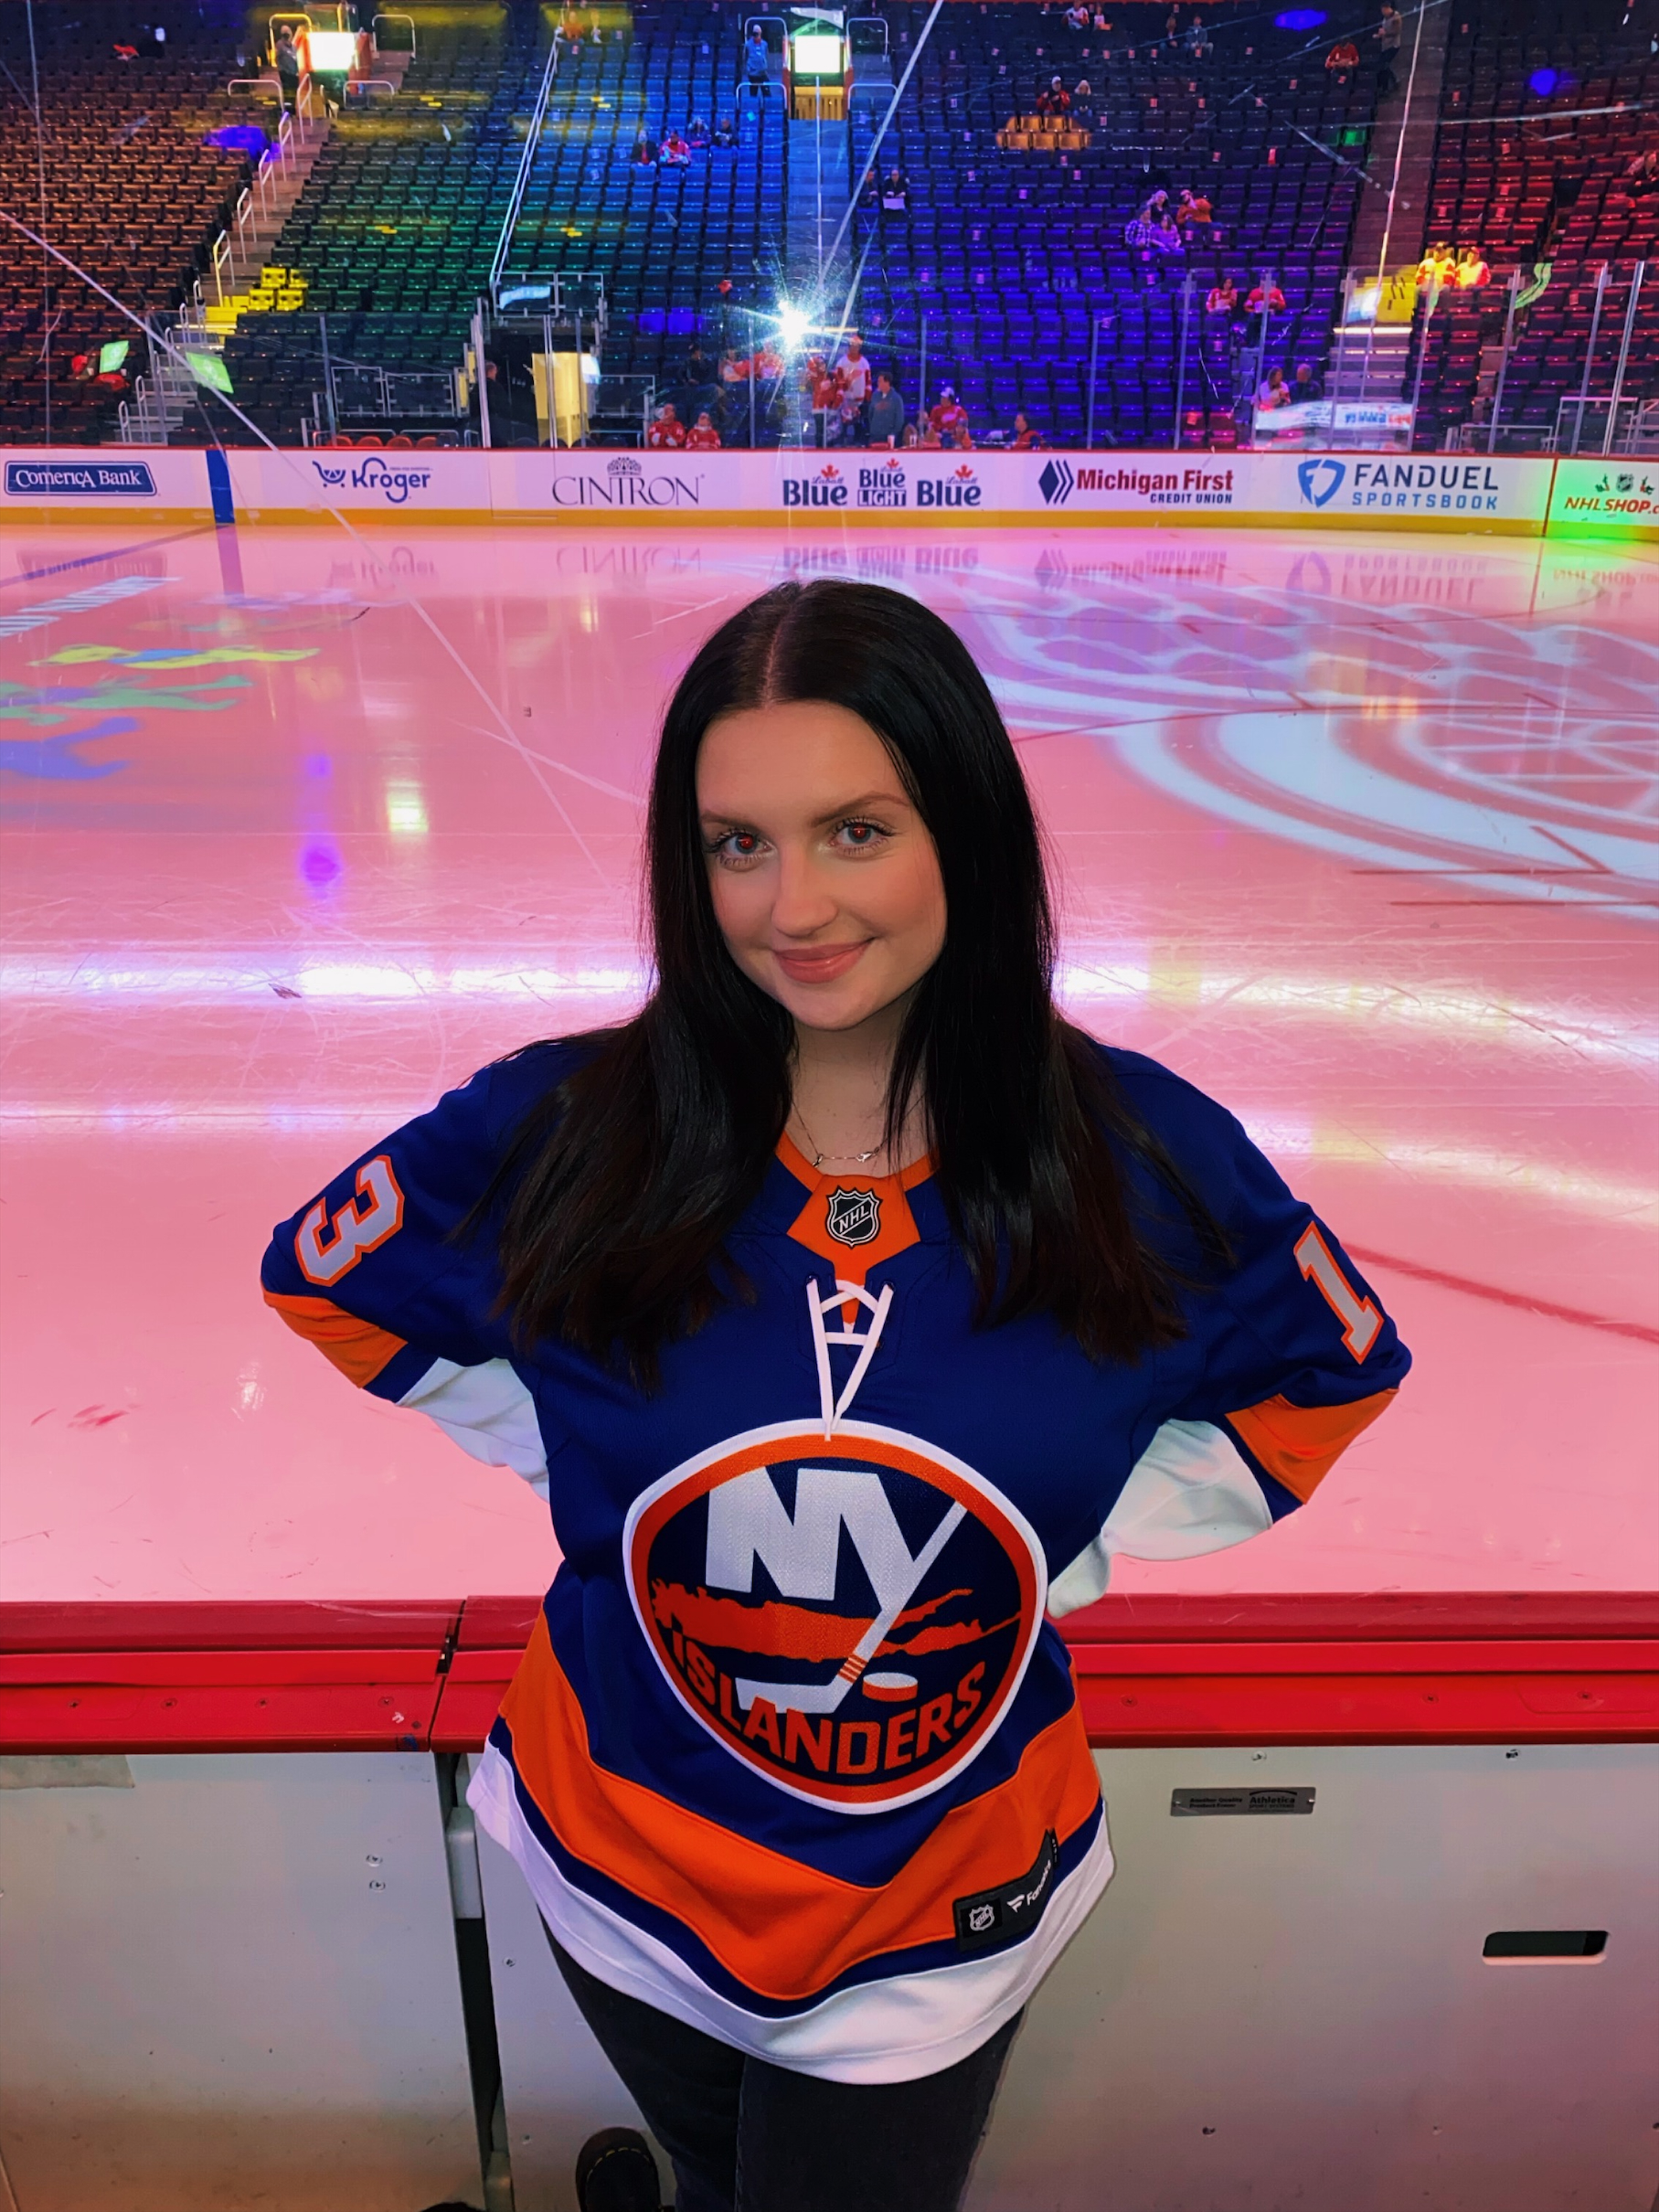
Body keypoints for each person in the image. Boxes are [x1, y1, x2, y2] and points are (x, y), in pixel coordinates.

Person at [263, 580, 1409, 2212]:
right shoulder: (563, 1130)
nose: (789, 904)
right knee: (711, 2173)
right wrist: (576, 1453)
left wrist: (1043, 1538)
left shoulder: (1151, 1165)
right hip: (617, 1866)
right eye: (737, 844)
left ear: (969, 834)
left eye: (855, 831)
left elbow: (1326, 1380)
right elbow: (327, 1280)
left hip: (929, 1922)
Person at [834, 334, 872, 440]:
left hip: (859, 399)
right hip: (846, 399)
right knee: (844, 422)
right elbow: (839, 380)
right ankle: (843, 439)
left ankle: (858, 440)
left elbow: (868, 380)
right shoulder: (842, 362)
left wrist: (867, 395)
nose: (854, 348)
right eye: (852, 345)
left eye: (856, 346)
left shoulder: (864, 363)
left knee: (858, 423)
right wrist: (840, 393)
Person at [867, 369, 905, 447]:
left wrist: (893, 434)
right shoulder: (875, 396)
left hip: (889, 436)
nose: (878, 384)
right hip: (875, 435)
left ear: (887, 382)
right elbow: (870, 414)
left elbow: (899, 419)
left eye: (880, 381)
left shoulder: (896, 399)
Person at [1374, 0, 1402, 97]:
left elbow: (1396, 31)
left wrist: (1385, 33)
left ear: (1387, 9)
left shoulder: (1396, 18)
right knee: (1383, 65)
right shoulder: (1385, 18)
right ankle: (1394, 81)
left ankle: (1387, 87)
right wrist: (1380, 34)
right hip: (1385, 46)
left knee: (1384, 65)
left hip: (1393, 45)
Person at [273, 23, 301, 108]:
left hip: (294, 74)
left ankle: (292, 109)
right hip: (285, 73)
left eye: (288, 31)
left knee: (294, 93)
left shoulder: (294, 47)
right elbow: (277, 58)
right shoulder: (280, 45)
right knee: (287, 93)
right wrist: (281, 69)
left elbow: (295, 59)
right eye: (284, 32)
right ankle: (287, 110)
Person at [744, 23, 771, 90]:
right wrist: (748, 69)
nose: (756, 34)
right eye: (755, 32)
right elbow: (745, 57)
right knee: (753, 93)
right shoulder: (748, 44)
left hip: (762, 72)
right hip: (752, 73)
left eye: (758, 33)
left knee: (767, 92)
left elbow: (767, 55)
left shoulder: (764, 44)